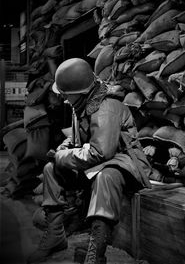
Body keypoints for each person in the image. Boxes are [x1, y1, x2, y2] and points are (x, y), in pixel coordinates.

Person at [27, 58, 152, 264]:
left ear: (81, 92)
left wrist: (63, 156)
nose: (64, 99)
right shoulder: (84, 104)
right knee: (51, 169)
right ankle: (56, 235)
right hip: (99, 162)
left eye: (67, 94)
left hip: (125, 165)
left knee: (105, 176)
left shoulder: (106, 108)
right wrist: (64, 149)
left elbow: (100, 152)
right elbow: (80, 137)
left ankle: (97, 251)